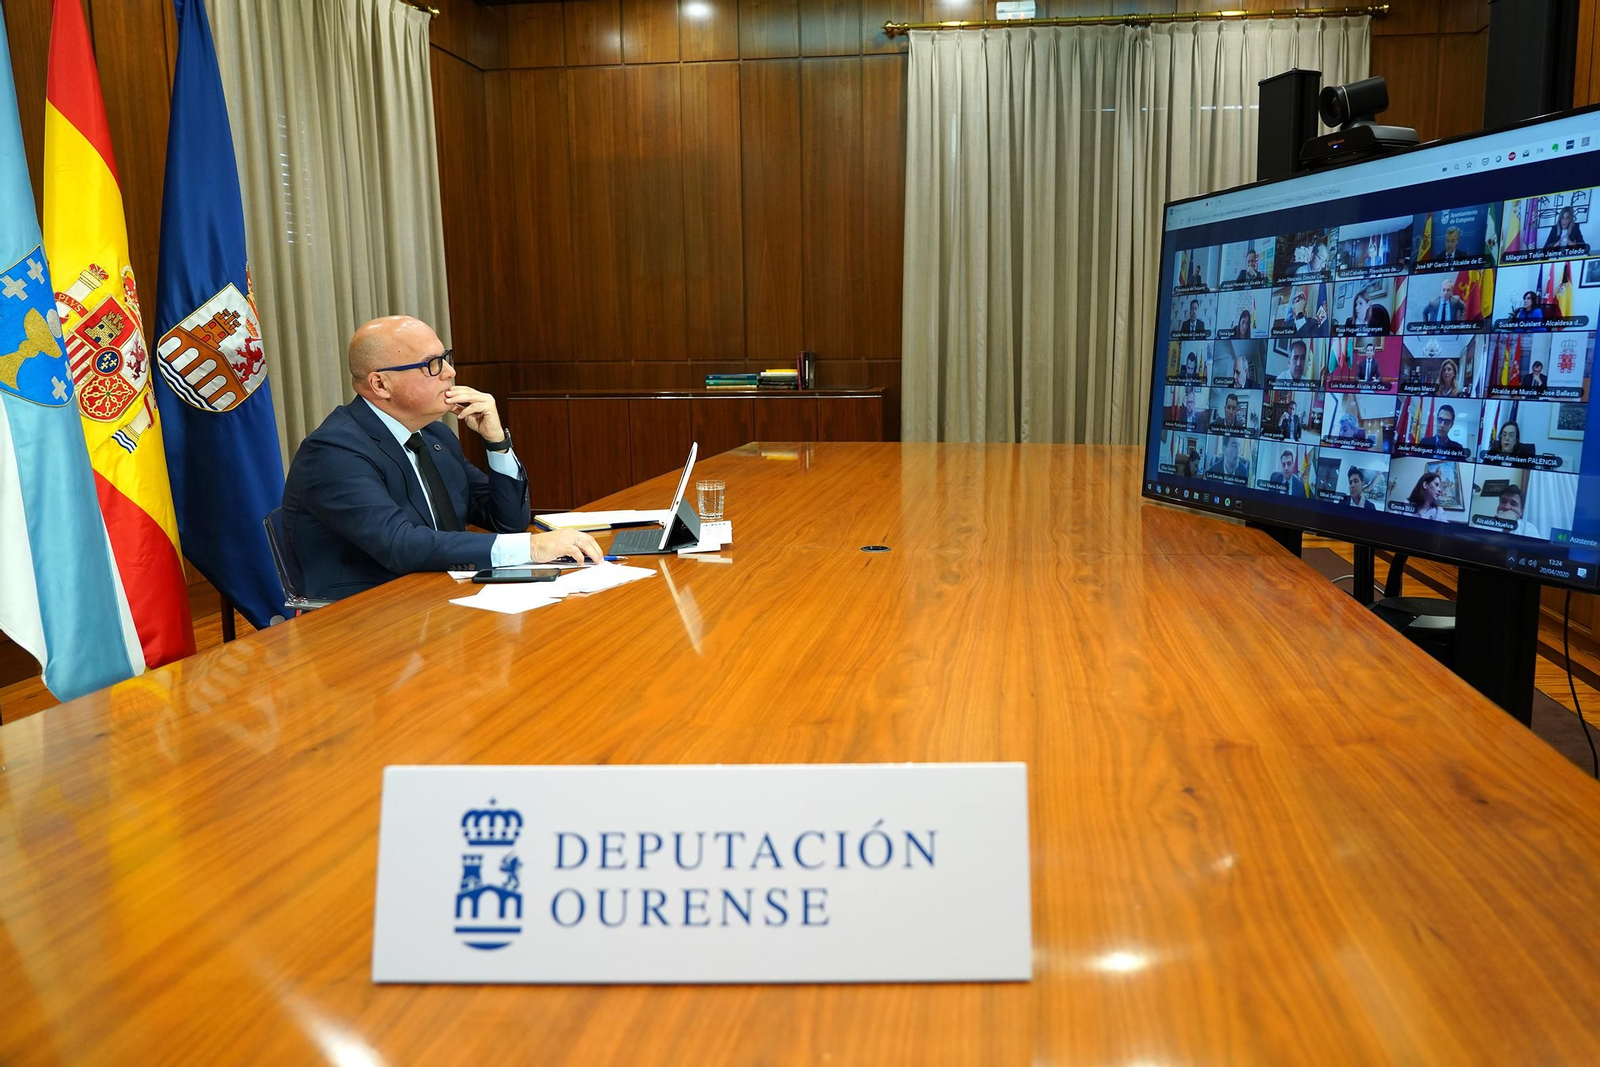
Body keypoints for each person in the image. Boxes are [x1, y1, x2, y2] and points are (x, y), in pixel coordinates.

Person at [281, 316, 603, 601]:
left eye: (445, 358)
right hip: (365, 621)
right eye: (432, 364)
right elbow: (399, 545)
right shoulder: (334, 451)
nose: (449, 372)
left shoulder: (434, 437)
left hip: (439, 599)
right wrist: (530, 548)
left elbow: (508, 522)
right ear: (380, 384)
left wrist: (496, 442)